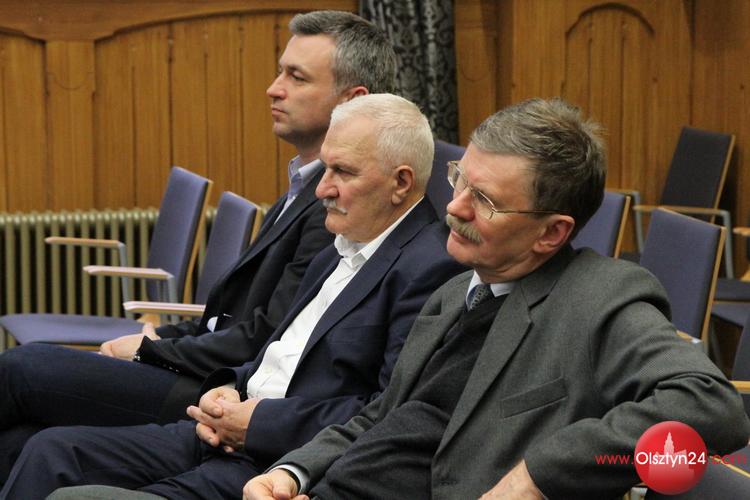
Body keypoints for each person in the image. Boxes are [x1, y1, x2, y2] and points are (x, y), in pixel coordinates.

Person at [242, 98, 750, 500]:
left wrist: (541, 473)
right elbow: (384, 415)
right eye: (459, 180)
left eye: (484, 200)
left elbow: (712, 407)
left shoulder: (599, 297)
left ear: (552, 233)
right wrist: (294, 471)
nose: (454, 208)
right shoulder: (455, 291)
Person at [1, 93, 467, 499]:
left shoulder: (428, 268)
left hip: (277, 462)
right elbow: (278, 354)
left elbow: (385, 411)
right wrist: (227, 388)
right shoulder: (341, 245)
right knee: (50, 450)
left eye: (342, 172)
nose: (323, 188)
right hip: (222, 427)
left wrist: (256, 422)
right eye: (325, 168)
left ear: (400, 183)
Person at [0, 10, 398, 482]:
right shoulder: (302, 182)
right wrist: (161, 338)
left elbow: (264, 335)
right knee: (22, 440)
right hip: (208, 372)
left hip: (212, 390)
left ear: (352, 101)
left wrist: (152, 350)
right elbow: (232, 318)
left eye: (296, 77)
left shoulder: (339, 207)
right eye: (280, 72)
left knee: (22, 368)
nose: (273, 88)